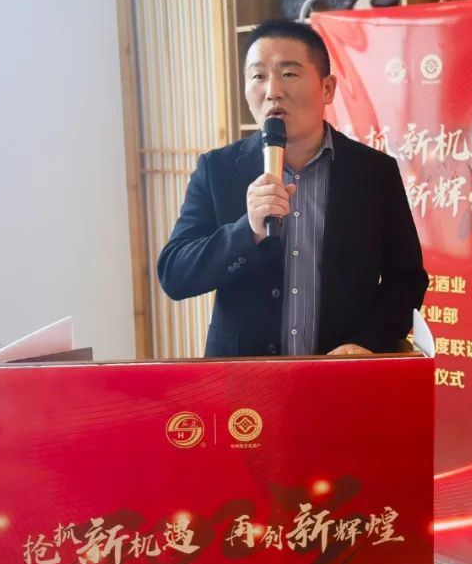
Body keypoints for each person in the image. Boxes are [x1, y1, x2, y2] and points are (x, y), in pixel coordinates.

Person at [158, 19, 428, 357]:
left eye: (288, 74)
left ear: (327, 89)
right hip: (243, 376)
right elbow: (175, 274)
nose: (272, 90)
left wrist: (367, 342)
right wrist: (247, 231)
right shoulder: (218, 169)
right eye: (258, 76)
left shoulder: (374, 172)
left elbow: (406, 280)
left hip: (341, 372)